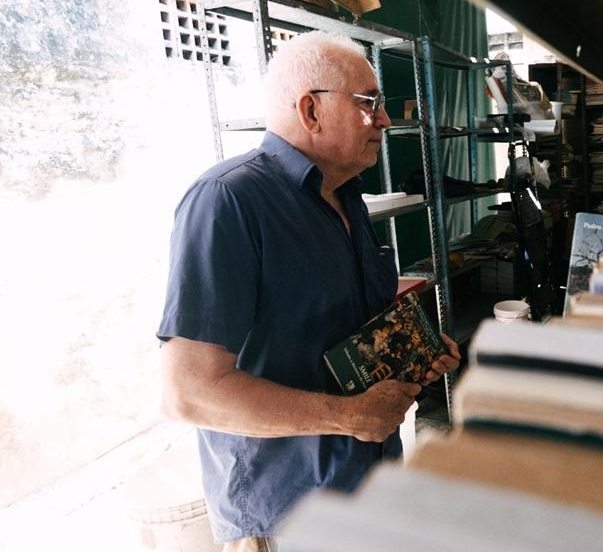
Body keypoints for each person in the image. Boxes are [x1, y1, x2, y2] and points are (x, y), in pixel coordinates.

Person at [157, 30, 461, 550]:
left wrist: (415, 354)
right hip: (289, 513)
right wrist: (349, 416)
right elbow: (189, 393)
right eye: (368, 102)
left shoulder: (345, 196)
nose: (385, 120)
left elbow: (340, 332)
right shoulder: (227, 201)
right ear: (311, 110)